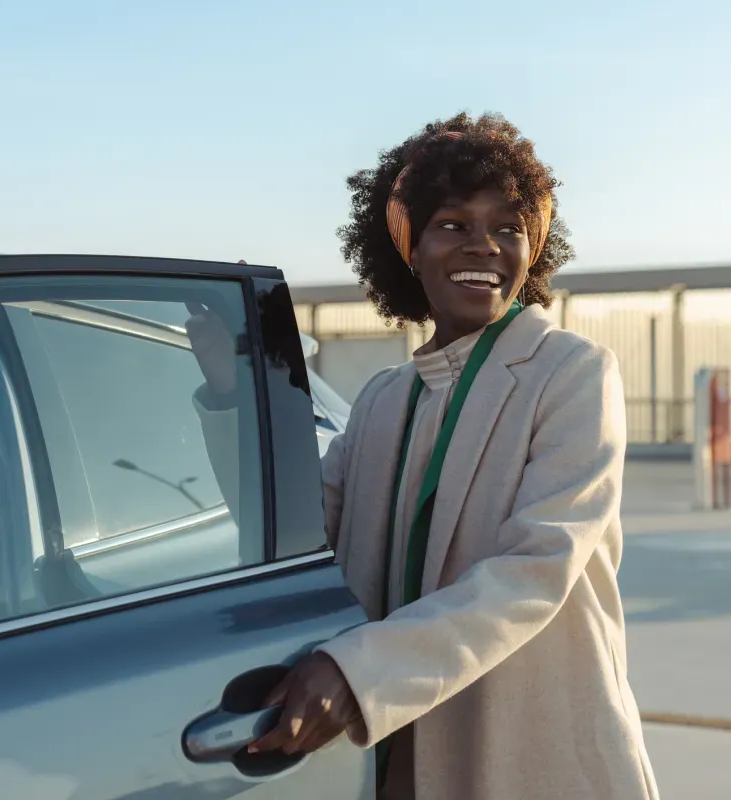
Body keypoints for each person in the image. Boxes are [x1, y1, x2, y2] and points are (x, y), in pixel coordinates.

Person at [187, 111, 660, 800]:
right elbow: (299, 532)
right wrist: (236, 388)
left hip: (535, 756)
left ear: (534, 248)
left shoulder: (571, 372)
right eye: (453, 224)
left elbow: (536, 569)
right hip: (402, 756)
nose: (484, 246)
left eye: (508, 227)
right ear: (408, 247)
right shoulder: (385, 398)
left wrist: (359, 671)